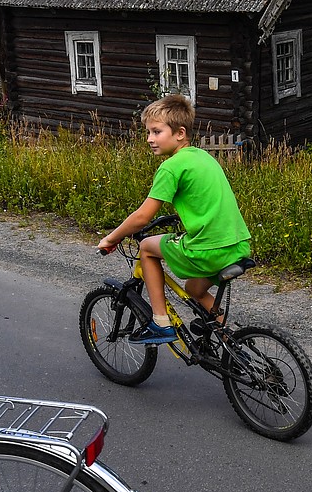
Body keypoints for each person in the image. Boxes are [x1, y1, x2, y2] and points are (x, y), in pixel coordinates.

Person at [97, 94, 251, 344]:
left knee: (147, 248)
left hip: (207, 250)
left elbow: (142, 217)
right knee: (194, 289)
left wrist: (111, 238)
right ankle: (233, 345)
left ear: (180, 133)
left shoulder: (171, 167)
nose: (149, 139)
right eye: (148, 132)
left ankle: (160, 323)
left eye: (156, 132)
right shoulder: (203, 157)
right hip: (237, 245)